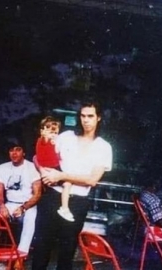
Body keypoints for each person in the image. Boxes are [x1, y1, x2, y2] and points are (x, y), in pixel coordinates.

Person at [31, 98, 113, 270]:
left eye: (90, 116)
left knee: (66, 252)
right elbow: (38, 157)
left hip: (77, 202)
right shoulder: (66, 137)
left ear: (98, 118)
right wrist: (44, 173)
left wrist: (61, 175)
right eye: (82, 116)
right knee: (41, 248)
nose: (86, 120)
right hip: (52, 196)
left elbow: (92, 179)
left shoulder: (104, 147)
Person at [0, 141, 42, 255]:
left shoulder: (32, 167)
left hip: (27, 205)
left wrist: (23, 208)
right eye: (11, 150)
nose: (14, 153)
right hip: (9, 204)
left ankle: (22, 253)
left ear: (24, 152)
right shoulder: (2, 167)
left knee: (30, 218)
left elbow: (37, 194)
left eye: (18, 149)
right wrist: (1, 206)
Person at [35, 116, 74, 222]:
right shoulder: (43, 140)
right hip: (51, 169)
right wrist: (47, 137)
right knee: (67, 184)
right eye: (49, 130)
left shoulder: (53, 142)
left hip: (53, 167)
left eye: (55, 133)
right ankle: (64, 208)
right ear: (42, 131)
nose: (53, 135)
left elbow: (55, 153)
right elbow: (45, 140)